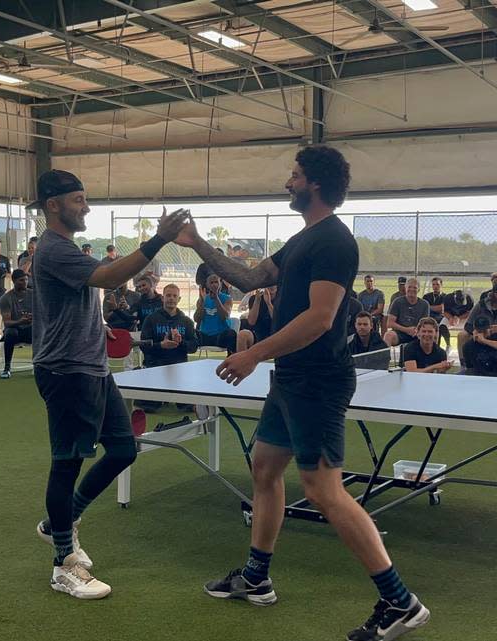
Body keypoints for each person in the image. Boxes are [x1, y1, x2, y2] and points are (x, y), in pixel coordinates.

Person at [173, 146, 429, 638]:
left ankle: (400, 601)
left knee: (323, 491)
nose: (288, 182)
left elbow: (320, 318)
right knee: (265, 469)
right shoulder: (301, 240)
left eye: (294, 175)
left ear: (313, 183)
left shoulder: (334, 241)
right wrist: (196, 242)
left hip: (316, 381)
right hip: (290, 380)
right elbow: (249, 278)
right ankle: (256, 576)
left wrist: (253, 354)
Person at [29, 169, 188, 600]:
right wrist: (159, 239)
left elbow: (109, 273)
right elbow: (111, 277)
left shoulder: (67, 249)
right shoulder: (52, 250)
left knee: (123, 448)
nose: (86, 207)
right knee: (67, 463)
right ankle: (63, 563)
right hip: (65, 371)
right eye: (79, 199)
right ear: (53, 206)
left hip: (93, 368)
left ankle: (60, 522)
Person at [461, 284, 497, 377]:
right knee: (462, 335)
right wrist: (474, 331)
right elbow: (468, 324)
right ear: (496, 294)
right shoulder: (481, 305)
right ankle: (464, 363)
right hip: (479, 330)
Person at [139, 283, 198, 368]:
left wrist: (180, 342)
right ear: (162, 298)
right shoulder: (150, 319)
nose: (171, 298)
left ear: (179, 299)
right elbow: (143, 346)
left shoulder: (187, 321)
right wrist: (161, 345)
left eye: (175, 296)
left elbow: (194, 347)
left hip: (179, 367)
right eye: (168, 295)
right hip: (155, 366)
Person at [0, 269, 33, 379]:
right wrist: (20, 321)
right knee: (10, 333)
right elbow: (7, 322)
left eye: (26, 280)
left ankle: (39, 364)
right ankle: (7, 368)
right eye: (21, 280)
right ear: (14, 281)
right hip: (15, 330)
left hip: (30, 329)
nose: (25, 282)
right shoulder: (6, 298)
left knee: (40, 330)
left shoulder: (33, 294)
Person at [195, 274, 238, 353]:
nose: (214, 285)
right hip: (205, 336)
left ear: (220, 284)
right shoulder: (203, 298)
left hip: (220, 337)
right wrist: (203, 302)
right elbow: (196, 319)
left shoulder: (227, 299)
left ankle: (231, 359)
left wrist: (216, 298)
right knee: (190, 332)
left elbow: (225, 316)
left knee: (231, 334)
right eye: (211, 283)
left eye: (216, 282)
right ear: (207, 285)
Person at [383, 277, 430, 348]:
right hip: (400, 333)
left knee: (430, 335)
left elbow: (424, 323)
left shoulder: (424, 304)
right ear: (405, 288)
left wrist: (416, 330)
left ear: (419, 289)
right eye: (409, 287)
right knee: (388, 335)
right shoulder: (397, 302)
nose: (412, 289)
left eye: (415, 287)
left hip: (417, 333)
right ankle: (385, 358)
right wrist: (406, 330)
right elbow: (390, 323)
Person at [421, 277, 450, 349]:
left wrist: (429, 307)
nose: (435, 286)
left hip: (441, 318)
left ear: (441, 285)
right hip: (429, 318)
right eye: (433, 284)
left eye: (437, 284)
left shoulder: (446, 297)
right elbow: (423, 307)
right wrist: (436, 308)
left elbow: (441, 309)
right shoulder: (426, 296)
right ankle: (436, 347)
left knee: (440, 326)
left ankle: (446, 345)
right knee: (436, 326)